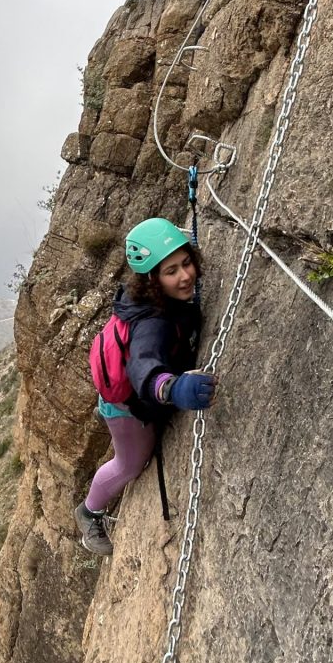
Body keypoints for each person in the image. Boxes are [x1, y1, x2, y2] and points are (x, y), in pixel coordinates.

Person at [74, 218, 217, 555]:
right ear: (153, 279)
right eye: (171, 271)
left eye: (186, 263)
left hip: (123, 389)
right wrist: (173, 389)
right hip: (127, 405)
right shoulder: (153, 323)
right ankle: (89, 512)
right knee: (130, 464)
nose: (185, 276)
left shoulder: (149, 297)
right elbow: (143, 367)